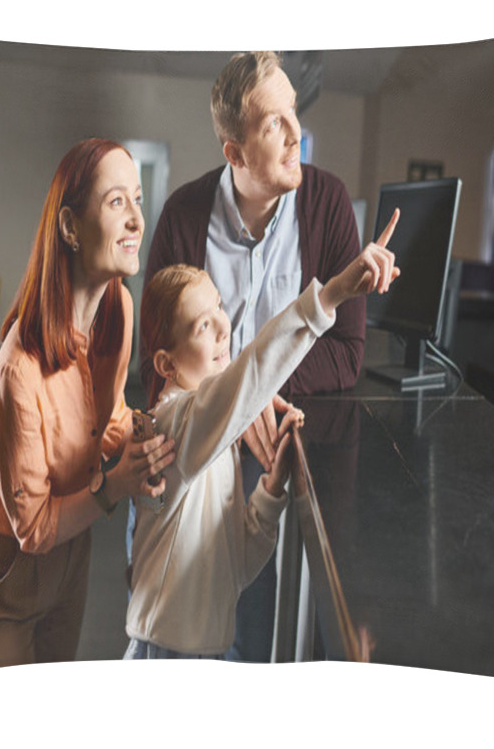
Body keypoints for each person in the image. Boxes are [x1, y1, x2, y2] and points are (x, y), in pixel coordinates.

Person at [139, 51, 367, 661]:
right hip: (189, 461)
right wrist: (230, 409)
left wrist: (257, 398)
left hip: (267, 457)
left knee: (248, 638)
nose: (297, 132)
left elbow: (346, 353)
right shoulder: (183, 216)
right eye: (274, 123)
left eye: (294, 112)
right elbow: (154, 364)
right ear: (234, 152)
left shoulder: (328, 203)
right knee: (168, 627)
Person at [125, 211, 398, 659]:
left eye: (218, 308)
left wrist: (272, 486)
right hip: (167, 657)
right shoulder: (174, 427)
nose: (223, 328)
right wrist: (330, 296)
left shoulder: (211, 439)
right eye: (202, 326)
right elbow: (250, 372)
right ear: (166, 365)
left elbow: (235, 563)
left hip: (205, 652)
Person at [0, 138, 175, 672]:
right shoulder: (20, 371)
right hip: (8, 578)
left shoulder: (118, 309)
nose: (135, 220)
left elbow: (108, 417)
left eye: (138, 199)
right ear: (71, 227)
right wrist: (116, 487)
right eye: (115, 202)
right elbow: (32, 528)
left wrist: (143, 435)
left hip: (72, 563)